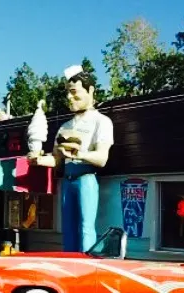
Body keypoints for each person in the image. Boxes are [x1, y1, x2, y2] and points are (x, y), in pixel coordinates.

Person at [30, 65, 114, 252]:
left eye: (74, 92)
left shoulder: (102, 122)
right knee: (67, 228)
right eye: (68, 93)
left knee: (86, 227)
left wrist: (80, 154)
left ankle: (87, 264)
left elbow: (102, 158)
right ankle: (70, 263)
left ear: (90, 90)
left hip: (86, 179)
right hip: (67, 182)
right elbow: (57, 160)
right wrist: (38, 160)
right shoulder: (64, 126)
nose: (70, 97)